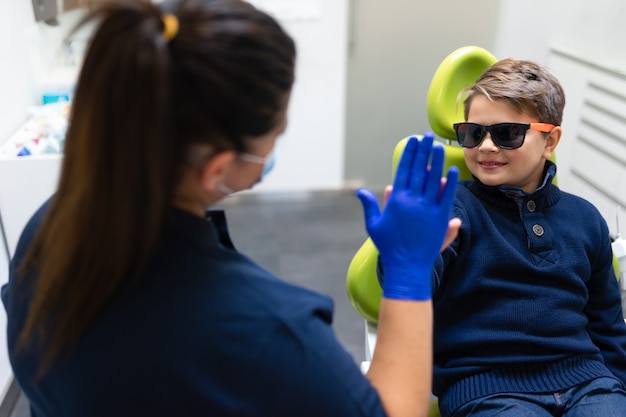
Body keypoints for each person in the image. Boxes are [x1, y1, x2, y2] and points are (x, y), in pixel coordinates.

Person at [1, 1, 460, 416]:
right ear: (218, 168)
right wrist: (409, 270)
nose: (274, 148)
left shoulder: (47, 230)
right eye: (275, 135)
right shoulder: (265, 332)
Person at [409, 59, 626, 416]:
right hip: (486, 387)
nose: (487, 147)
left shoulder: (586, 218)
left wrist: (617, 387)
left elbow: (607, 324)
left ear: (550, 141)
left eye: (508, 133)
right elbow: (408, 279)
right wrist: (411, 251)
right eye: (473, 133)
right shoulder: (452, 208)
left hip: (589, 382)